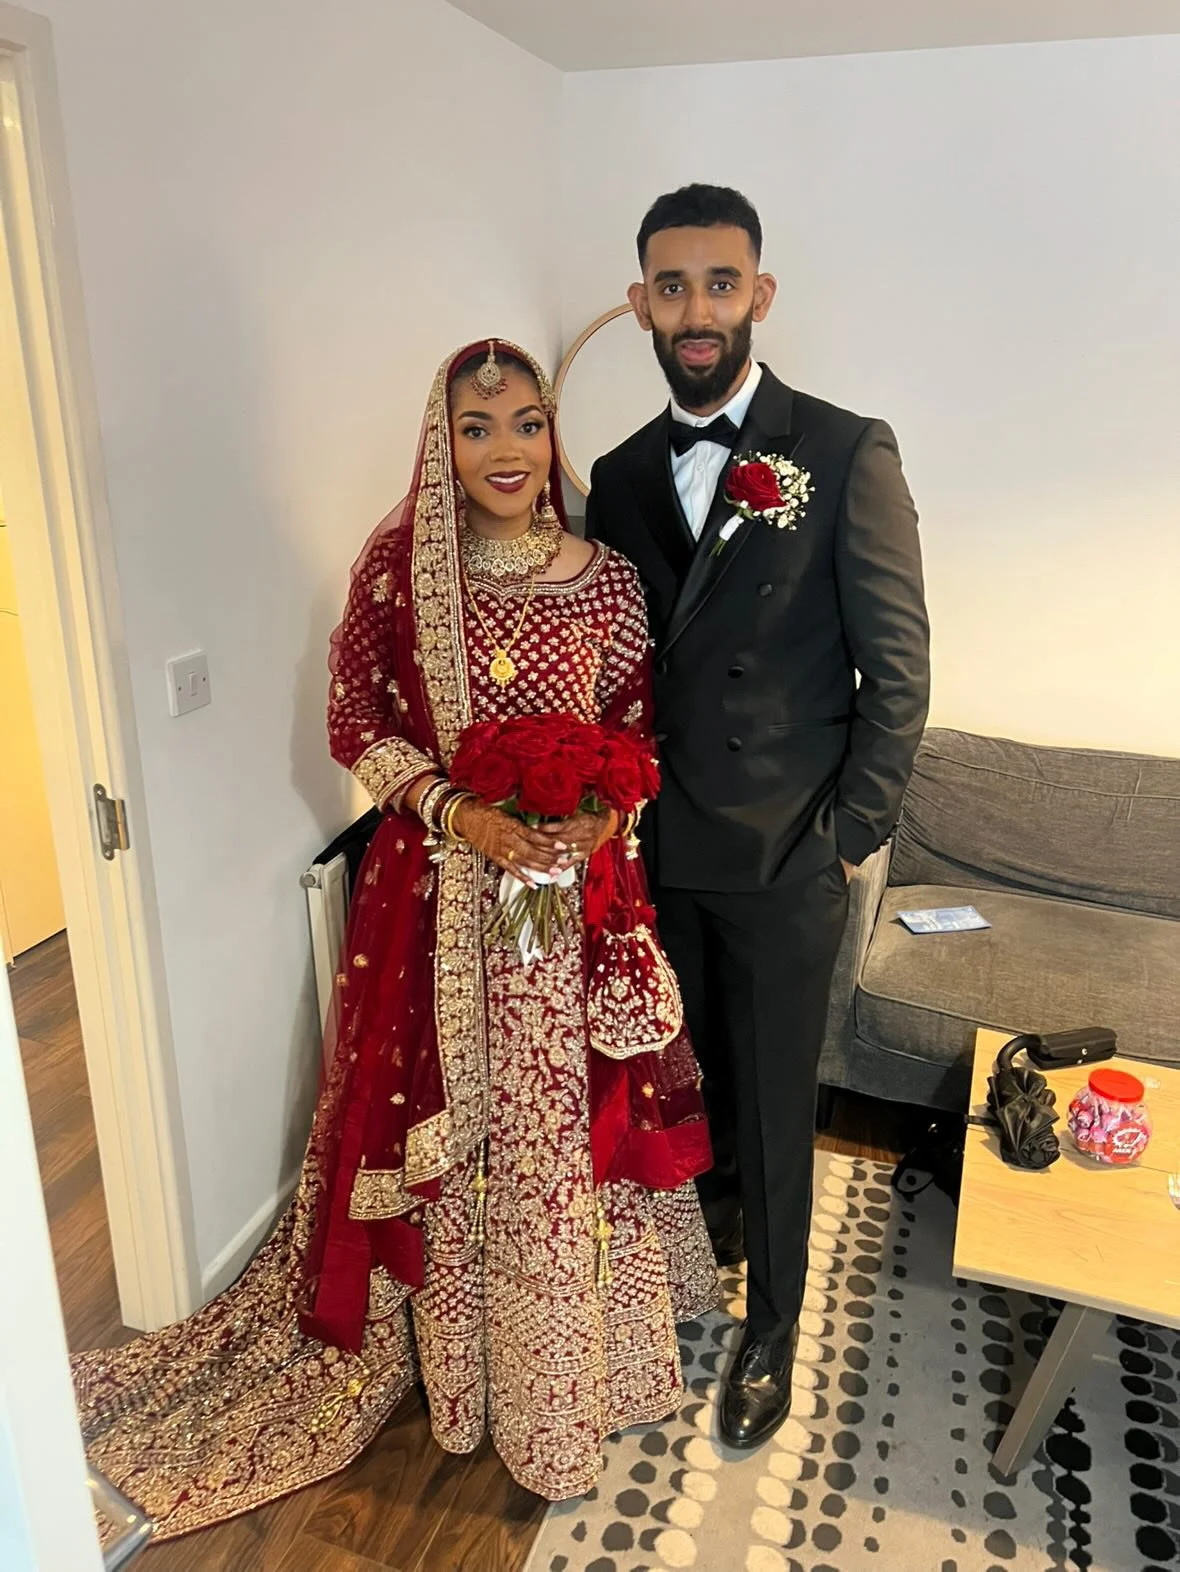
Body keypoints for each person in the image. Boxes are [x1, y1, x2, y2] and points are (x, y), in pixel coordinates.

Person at [73, 340, 717, 1538]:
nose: (506, 451)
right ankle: (471, 1380)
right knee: (465, 1122)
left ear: (552, 433)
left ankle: (577, 1374)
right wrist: (464, 810)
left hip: (576, 909)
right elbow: (352, 720)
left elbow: (638, 724)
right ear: (442, 441)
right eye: (477, 430)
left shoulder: (612, 580)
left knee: (575, 1126)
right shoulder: (401, 570)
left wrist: (599, 808)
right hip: (444, 910)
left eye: (525, 423)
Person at [585, 185, 931, 1450]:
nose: (694, 311)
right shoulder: (617, 476)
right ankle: (711, 1233)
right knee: (700, 1076)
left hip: (790, 849)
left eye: (718, 284)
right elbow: (621, 659)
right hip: (665, 847)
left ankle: (773, 1327)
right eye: (669, 287)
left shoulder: (842, 449)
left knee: (782, 1097)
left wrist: (849, 835)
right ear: (639, 304)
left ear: (758, 297)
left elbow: (898, 668)